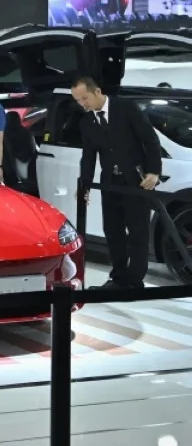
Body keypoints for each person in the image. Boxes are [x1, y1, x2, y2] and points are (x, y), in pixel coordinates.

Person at [73, 76, 162, 289]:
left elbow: (150, 139)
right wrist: (84, 185)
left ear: (97, 91)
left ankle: (135, 279)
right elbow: (89, 156)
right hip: (109, 183)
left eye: (85, 98)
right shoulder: (86, 122)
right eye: (77, 100)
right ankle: (119, 276)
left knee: (138, 230)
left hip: (135, 180)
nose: (82, 104)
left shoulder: (125, 107)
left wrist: (154, 172)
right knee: (112, 230)